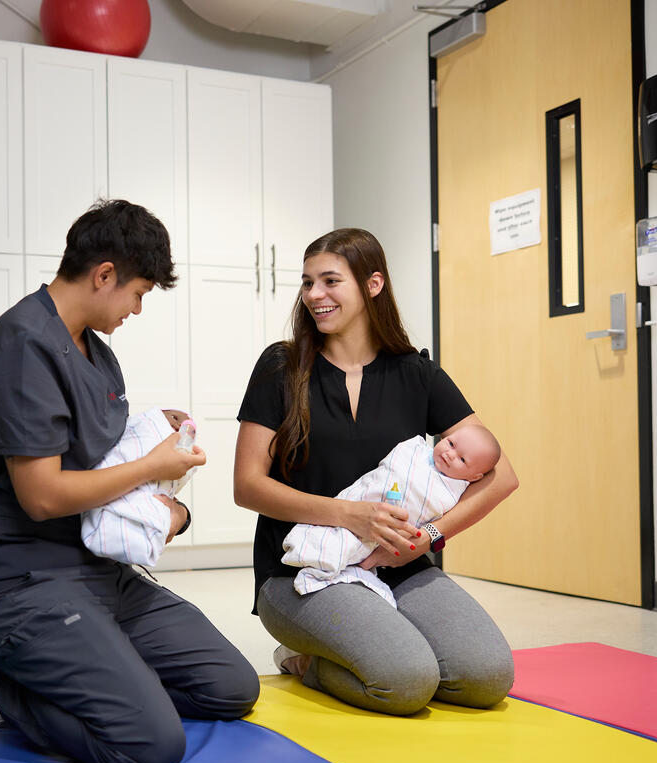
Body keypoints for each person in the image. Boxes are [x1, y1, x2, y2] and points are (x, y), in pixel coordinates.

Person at [0, 200, 260, 763]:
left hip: (93, 571)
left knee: (231, 688)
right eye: (137, 293)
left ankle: (89, 668)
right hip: (14, 581)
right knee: (149, 744)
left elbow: (98, 454)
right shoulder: (23, 347)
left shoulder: (96, 353)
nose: (137, 309)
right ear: (104, 274)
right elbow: (42, 496)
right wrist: (150, 467)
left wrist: (156, 434)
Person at [233, 227, 519, 716]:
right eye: (307, 283)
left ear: (373, 284)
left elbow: (502, 475)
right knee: (405, 680)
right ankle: (303, 661)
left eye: (329, 281)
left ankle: (374, 645)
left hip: (394, 567)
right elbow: (247, 486)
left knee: (486, 677)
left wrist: (428, 535)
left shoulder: (417, 373)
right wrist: (350, 516)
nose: (314, 295)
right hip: (300, 573)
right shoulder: (281, 366)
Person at [282, 425, 501, 607]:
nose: (449, 453)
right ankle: (315, 549)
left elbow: (428, 510)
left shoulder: (451, 492)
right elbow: (387, 470)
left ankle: (329, 560)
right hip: (358, 505)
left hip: (389, 541)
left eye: (462, 459)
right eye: (451, 443)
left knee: (356, 549)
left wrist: (429, 535)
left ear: (474, 476)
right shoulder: (415, 451)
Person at [81, 408, 198, 567]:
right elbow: (46, 499)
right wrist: (152, 466)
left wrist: (182, 516)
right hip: (67, 558)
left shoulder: (112, 390)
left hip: (113, 564)